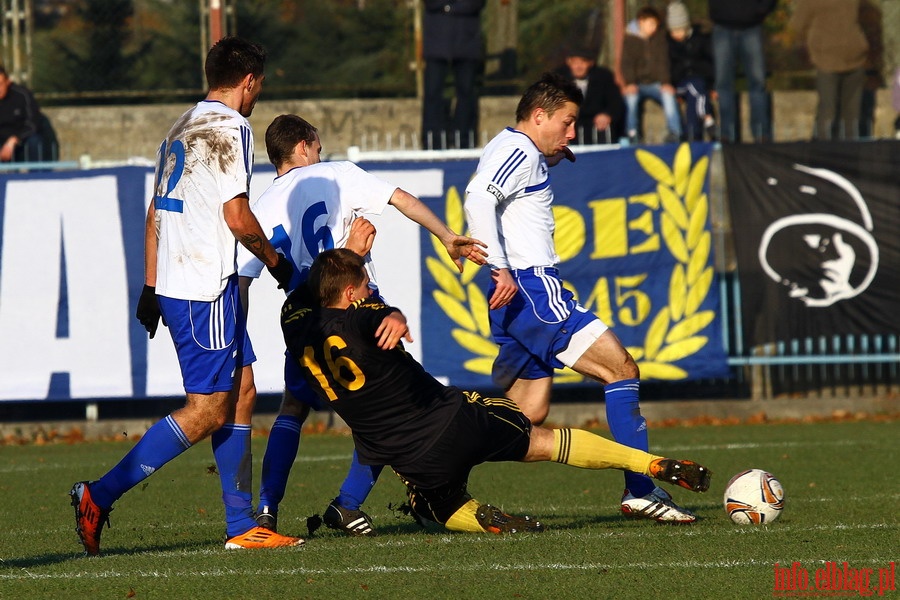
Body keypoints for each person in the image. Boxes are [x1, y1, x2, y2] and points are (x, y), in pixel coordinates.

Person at [281, 248, 712, 534]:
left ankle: (484, 519)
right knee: (543, 440)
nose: (372, 289)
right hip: (454, 420)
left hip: (410, 459)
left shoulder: (295, 327)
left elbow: (302, 296)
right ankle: (649, 464)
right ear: (353, 293)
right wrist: (391, 312)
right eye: (366, 284)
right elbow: (372, 312)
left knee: (440, 506)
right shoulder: (363, 314)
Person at [69, 37, 304, 556]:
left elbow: (155, 213)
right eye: (258, 85)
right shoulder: (231, 128)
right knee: (208, 409)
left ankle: (242, 525)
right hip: (205, 287)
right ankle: (98, 494)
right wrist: (280, 265)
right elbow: (238, 218)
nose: (257, 95)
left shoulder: (181, 126)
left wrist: (150, 287)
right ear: (248, 82)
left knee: (241, 390)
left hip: (180, 283)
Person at [463, 72, 701, 523]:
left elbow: (504, 192)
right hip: (531, 288)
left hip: (519, 296)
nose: (573, 133)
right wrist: (501, 268)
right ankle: (640, 490)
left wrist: (547, 161)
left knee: (527, 413)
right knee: (622, 370)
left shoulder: (515, 148)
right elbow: (478, 197)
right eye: (567, 122)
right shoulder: (518, 150)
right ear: (539, 116)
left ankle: (432, 456)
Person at [236, 114, 487, 536]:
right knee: (387, 410)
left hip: (304, 323)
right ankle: (352, 503)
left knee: (292, 411)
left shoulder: (260, 207)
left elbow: (242, 279)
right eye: (316, 146)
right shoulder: (334, 174)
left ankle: (266, 510)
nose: (319, 153)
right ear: (304, 145)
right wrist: (445, 234)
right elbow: (401, 198)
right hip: (355, 310)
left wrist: (237, 340)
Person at [790, 0, 868, 141]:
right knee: (828, 111)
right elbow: (798, 25)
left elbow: (867, 19)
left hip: (855, 58)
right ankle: (822, 151)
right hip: (826, 60)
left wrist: (863, 45)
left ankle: (851, 153)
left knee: (852, 115)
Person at [421, 0, 485, 150]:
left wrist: (447, 7)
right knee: (432, 93)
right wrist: (452, 7)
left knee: (466, 93)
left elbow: (475, 4)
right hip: (436, 41)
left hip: (466, 40)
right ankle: (432, 141)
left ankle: (464, 140)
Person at [709, 0, 777, 143]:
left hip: (752, 26)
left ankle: (761, 133)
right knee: (723, 84)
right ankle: (727, 134)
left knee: (758, 82)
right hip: (722, 26)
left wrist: (759, 11)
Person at [620, 6, 682, 144]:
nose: (653, 28)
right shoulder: (630, 39)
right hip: (637, 84)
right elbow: (626, 63)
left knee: (668, 96)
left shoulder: (659, 39)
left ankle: (675, 132)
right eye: (651, 24)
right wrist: (630, 82)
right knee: (631, 99)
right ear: (641, 22)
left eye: (655, 25)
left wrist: (666, 82)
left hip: (656, 83)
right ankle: (632, 133)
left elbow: (663, 62)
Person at [666, 2, 717, 141]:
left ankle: (693, 135)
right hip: (678, 84)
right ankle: (707, 117)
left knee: (694, 93)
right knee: (693, 86)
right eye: (673, 31)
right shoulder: (668, 44)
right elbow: (669, 68)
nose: (676, 34)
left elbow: (711, 64)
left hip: (698, 83)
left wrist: (712, 86)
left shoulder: (701, 40)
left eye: (679, 30)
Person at [554, 45, 624, 144]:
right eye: (575, 62)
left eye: (582, 62)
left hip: (596, 126)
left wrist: (607, 114)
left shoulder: (603, 77)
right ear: (568, 62)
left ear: (590, 63)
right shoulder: (558, 78)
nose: (578, 66)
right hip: (569, 123)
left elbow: (615, 101)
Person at [0, 66, 55, 162]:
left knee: (34, 141)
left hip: (21, 140)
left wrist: (14, 140)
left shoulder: (22, 95)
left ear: (8, 82)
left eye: (0, 84)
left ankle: (37, 175)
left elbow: (33, 124)